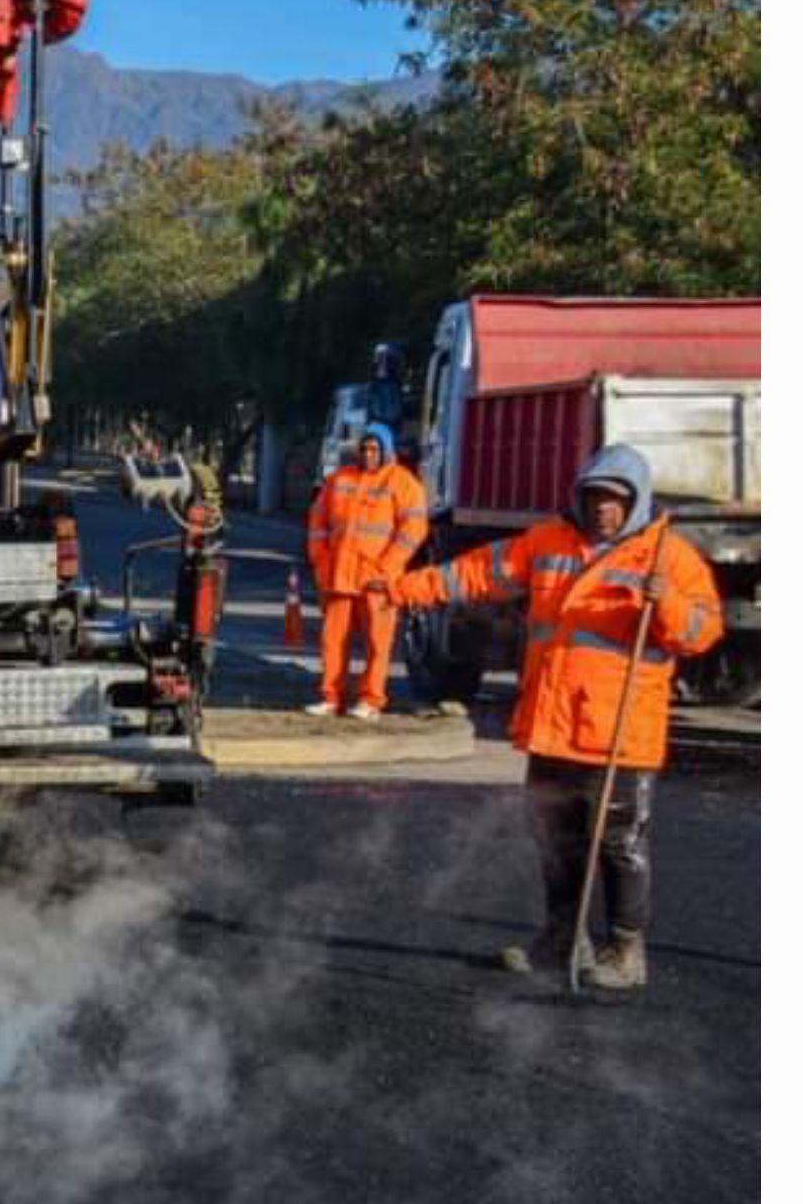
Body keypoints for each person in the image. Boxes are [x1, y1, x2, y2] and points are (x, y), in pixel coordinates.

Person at [392, 443, 724, 990]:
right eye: (595, 497)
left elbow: (700, 633)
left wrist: (664, 603)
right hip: (554, 727)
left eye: (615, 501)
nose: (603, 509)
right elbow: (479, 572)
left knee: (620, 844)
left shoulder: (668, 559)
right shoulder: (548, 542)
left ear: (635, 503)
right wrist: (407, 588)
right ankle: (564, 939)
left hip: (618, 733)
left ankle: (626, 951)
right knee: (554, 838)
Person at [302, 423, 428, 721]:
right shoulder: (339, 479)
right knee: (333, 642)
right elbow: (317, 525)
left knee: (377, 644)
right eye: (365, 448)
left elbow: (413, 530)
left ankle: (371, 701)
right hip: (341, 578)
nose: (369, 454)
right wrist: (321, 563)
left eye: (374, 449)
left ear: (386, 450)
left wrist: (387, 568)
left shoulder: (403, 483)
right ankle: (331, 698)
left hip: (377, 581)